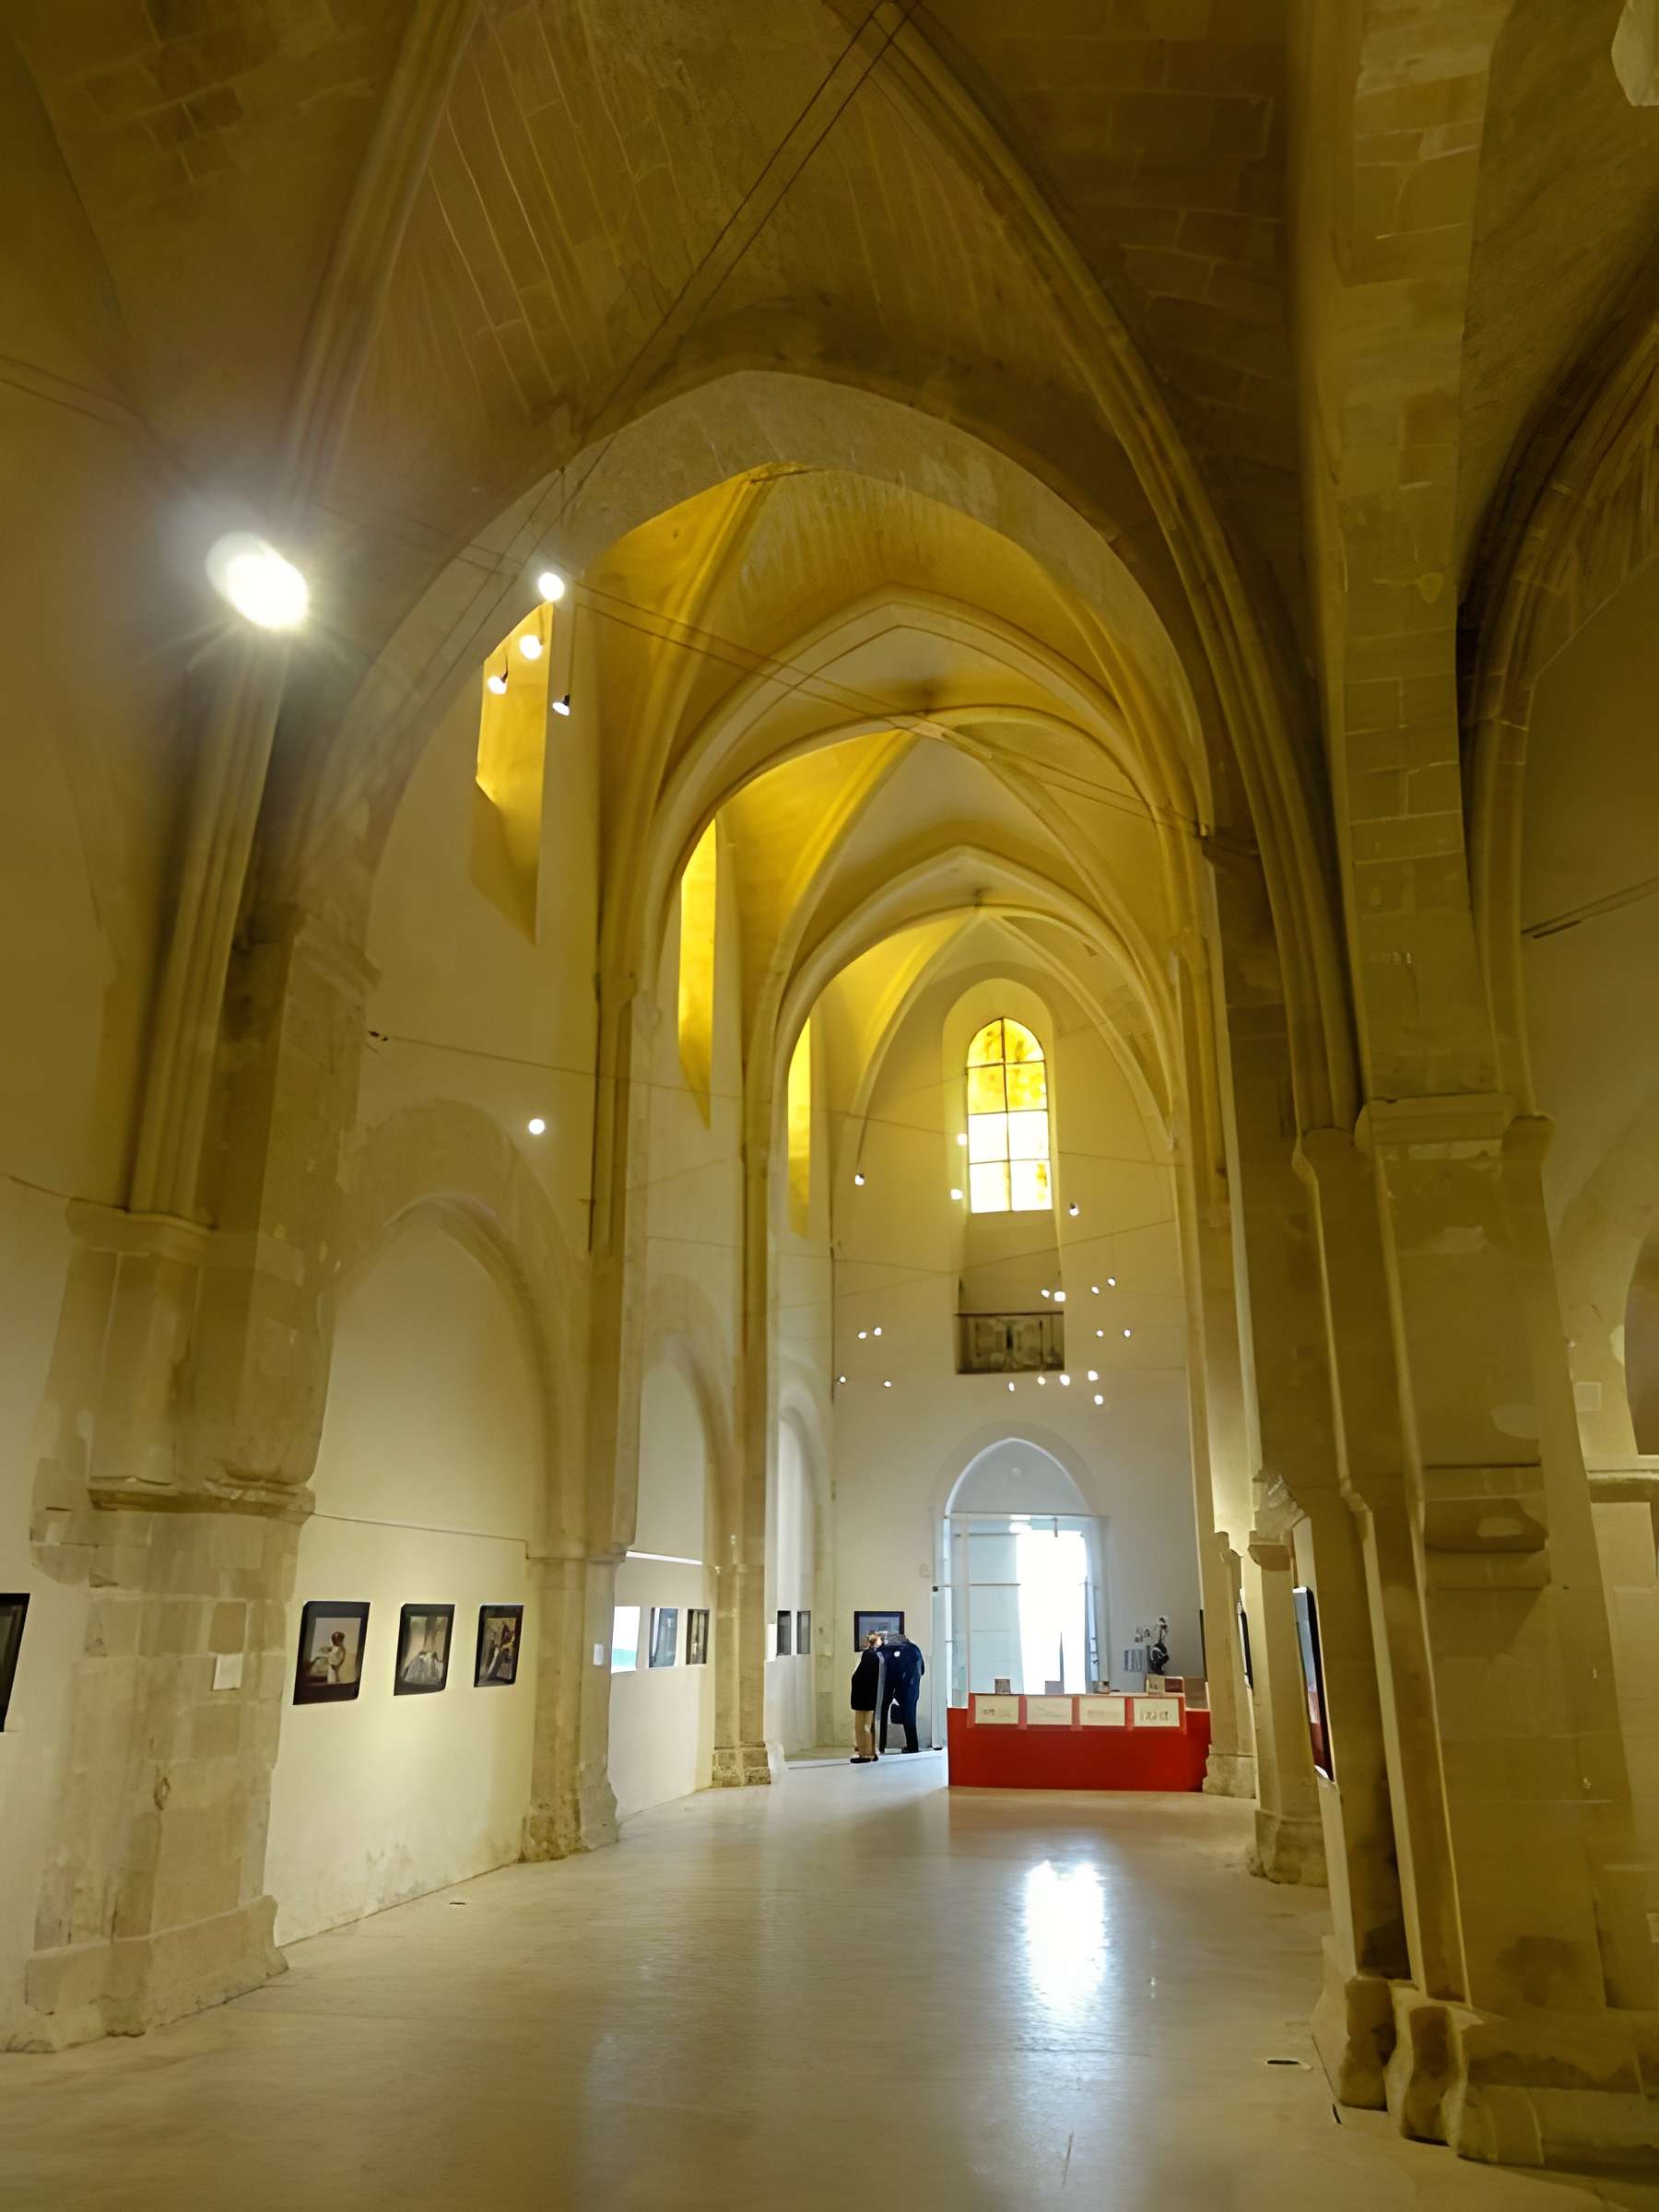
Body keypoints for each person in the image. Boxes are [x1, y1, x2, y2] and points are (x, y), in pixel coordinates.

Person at [879, 1628, 925, 1753]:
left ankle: (880, 1745)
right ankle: (913, 1746)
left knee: (882, 1715)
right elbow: (922, 1669)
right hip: (912, 1689)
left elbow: (888, 1670)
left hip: (890, 1687)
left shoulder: (886, 1650)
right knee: (910, 1718)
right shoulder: (915, 1649)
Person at [849, 1630, 885, 1762]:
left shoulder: (868, 1656)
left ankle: (865, 1753)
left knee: (862, 1726)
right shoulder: (876, 1657)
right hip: (869, 1698)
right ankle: (870, 1752)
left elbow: (860, 1678)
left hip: (863, 1698)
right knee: (868, 1726)